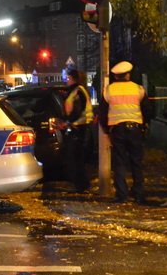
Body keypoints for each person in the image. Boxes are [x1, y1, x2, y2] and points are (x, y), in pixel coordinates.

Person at [99, 60, 151, 204]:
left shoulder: (108, 90)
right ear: (128, 75)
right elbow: (148, 110)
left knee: (119, 162)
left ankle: (122, 194)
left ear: (116, 76)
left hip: (117, 130)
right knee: (137, 162)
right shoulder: (138, 89)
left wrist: (106, 130)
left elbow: (102, 113)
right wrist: (144, 124)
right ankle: (139, 193)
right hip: (135, 129)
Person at [62, 68, 93, 192]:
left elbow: (77, 109)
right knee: (76, 156)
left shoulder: (78, 91)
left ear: (73, 78)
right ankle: (81, 184)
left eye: (68, 78)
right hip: (77, 125)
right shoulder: (76, 90)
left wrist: (69, 121)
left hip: (78, 126)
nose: (67, 81)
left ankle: (82, 185)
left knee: (76, 157)